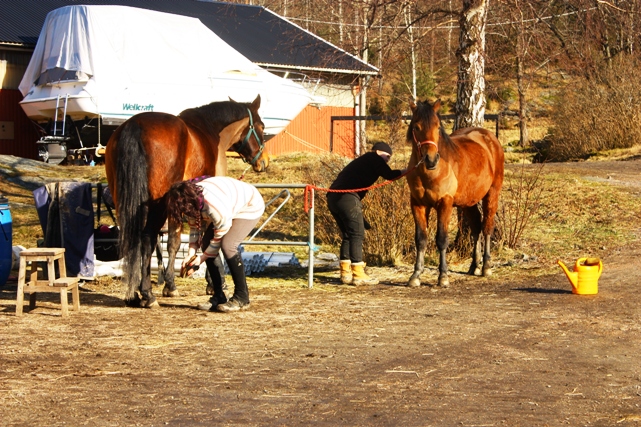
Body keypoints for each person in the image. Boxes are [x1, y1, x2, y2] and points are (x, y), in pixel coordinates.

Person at [165, 176, 265, 312]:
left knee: (228, 245)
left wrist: (201, 259)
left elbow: (219, 237)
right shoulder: (189, 202)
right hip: (228, 204)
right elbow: (195, 229)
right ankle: (219, 295)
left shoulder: (213, 206)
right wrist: (191, 254)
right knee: (206, 243)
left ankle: (242, 297)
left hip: (249, 205)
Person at [326, 141, 404, 285]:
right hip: (347, 197)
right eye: (387, 156)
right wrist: (408, 170)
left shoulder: (365, 160)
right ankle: (358, 274)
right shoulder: (374, 158)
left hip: (333, 198)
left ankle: (345, 273)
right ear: (378, 151)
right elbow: (389, 175)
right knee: (357, 234)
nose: (388, 160)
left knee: (348, 235)